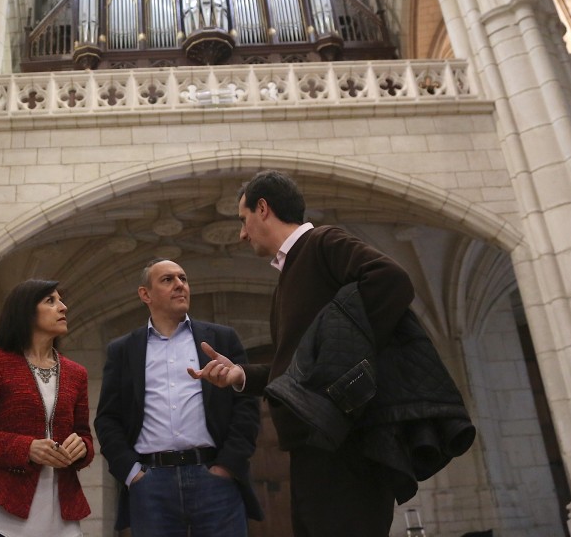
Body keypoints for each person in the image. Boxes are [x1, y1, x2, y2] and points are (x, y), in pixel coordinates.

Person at [188, 170, 415, 537]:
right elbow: (299, 369)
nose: (242, 233)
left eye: (244, 219)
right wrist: (240, 375)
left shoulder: (323, 243)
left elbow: (392, 280)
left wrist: (338, 368)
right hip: (315, 444)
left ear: (263, 209)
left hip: (346, 442)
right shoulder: (288, 275)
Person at [95, 258, 263, 537]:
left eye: (183, 278)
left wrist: (227, 466)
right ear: (145, 294)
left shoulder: (221, 339)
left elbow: (246, 405)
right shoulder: (123, 350)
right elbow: (107, 419)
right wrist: (132, 474)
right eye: (167, 280)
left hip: (214, 479)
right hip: (151, 485)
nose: (179, 285)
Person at [0, 279, 94, 537]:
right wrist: (26, 448)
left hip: (62, 519)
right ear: (26, 311)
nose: (63, 307)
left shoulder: (77, 374)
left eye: (61, 300)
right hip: (2, 515)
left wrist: (83, 448)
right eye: (50, 301)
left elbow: (84, 435)